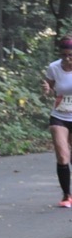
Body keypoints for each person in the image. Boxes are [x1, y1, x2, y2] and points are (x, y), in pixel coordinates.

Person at [42, 33, 72, 207]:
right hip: (59, 115)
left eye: (70, 55)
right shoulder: (54, 67)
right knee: (62, 155)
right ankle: (67, 196)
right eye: (63, 55)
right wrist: (47, 90)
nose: (67, 59)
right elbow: (50, 90)